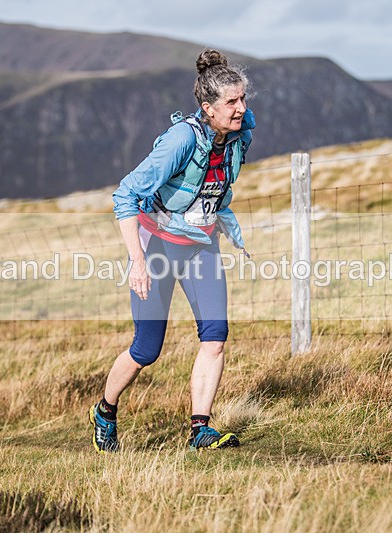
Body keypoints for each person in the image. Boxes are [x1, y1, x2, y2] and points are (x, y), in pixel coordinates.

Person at [89, 48, 255, 453]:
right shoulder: (182, 140)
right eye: (232, 102)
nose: (242, 109)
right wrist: (139, 263)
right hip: (157, 245)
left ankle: (201, 430)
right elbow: (125, 195)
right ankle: (105, 411)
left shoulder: (241, 129)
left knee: (215, 336)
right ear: (207, 107)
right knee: (147, 349)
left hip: (201, 246)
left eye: (243, 99)